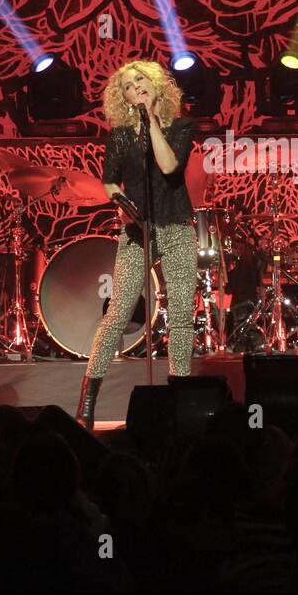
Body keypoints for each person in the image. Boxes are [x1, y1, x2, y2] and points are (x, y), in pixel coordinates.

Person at [77, 61, 198, 428]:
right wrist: (126, 208)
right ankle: (86, 402)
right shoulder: (119, 136)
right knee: (117, 315)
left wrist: (153, 121)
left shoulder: (181, 126)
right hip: (136, 231)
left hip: (176, 226)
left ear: (155, 85)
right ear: (124, 98)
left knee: (181, 316)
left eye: (141, 80)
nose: (136, 87)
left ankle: (179, 393)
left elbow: (168, 167)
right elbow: (109, 182)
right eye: (128, 86)